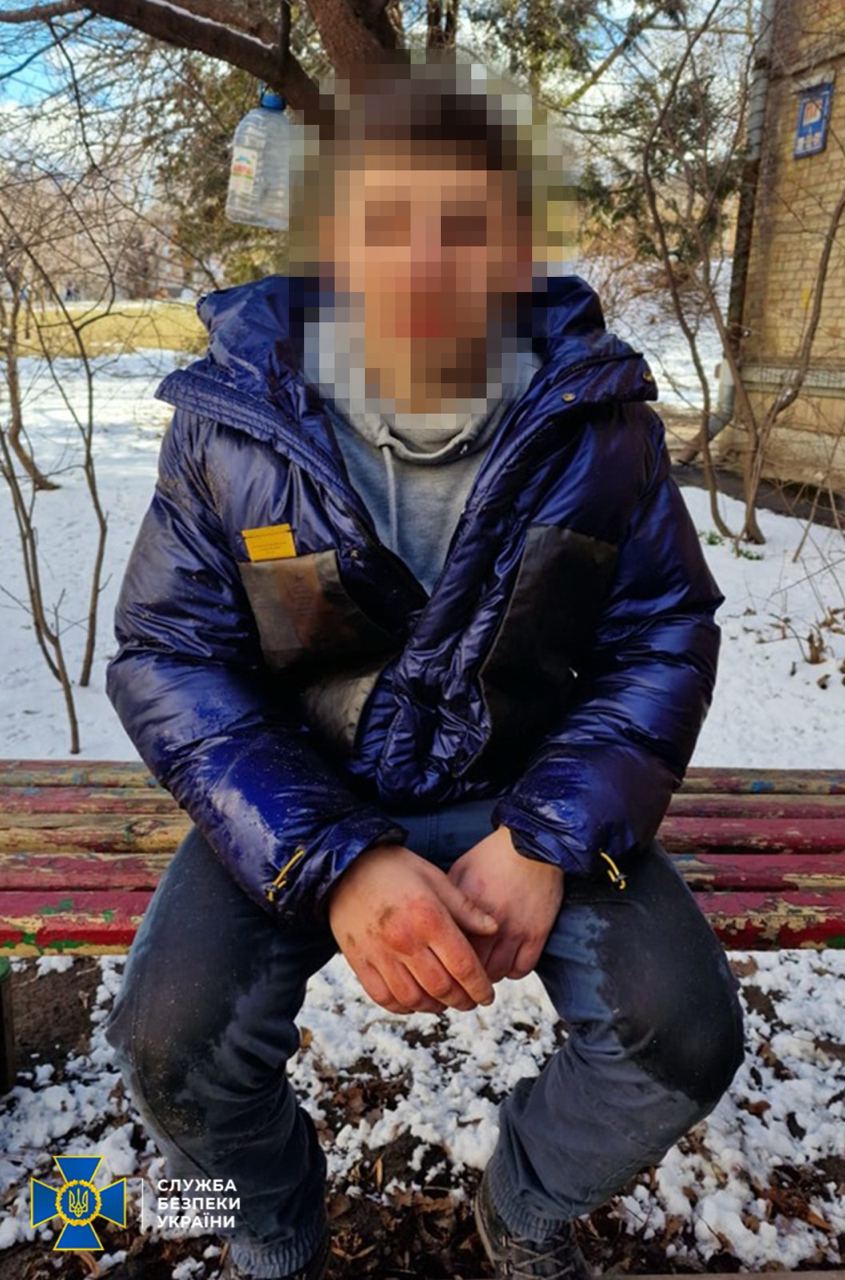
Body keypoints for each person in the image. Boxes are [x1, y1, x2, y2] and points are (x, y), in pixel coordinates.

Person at [103, 55, 745, 1280]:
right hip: (297, 787)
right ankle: (272, 1220)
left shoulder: (598, 423)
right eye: (387, 221)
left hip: (527, 782)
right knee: (168, 1042)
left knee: (681, 1034)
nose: (425, 263)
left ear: (518, 247)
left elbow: (662, 633)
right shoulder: (236, 420)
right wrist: (335, 857)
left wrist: (549, 834)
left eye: (467, 225)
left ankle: (527, 1203)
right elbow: (169, 651)